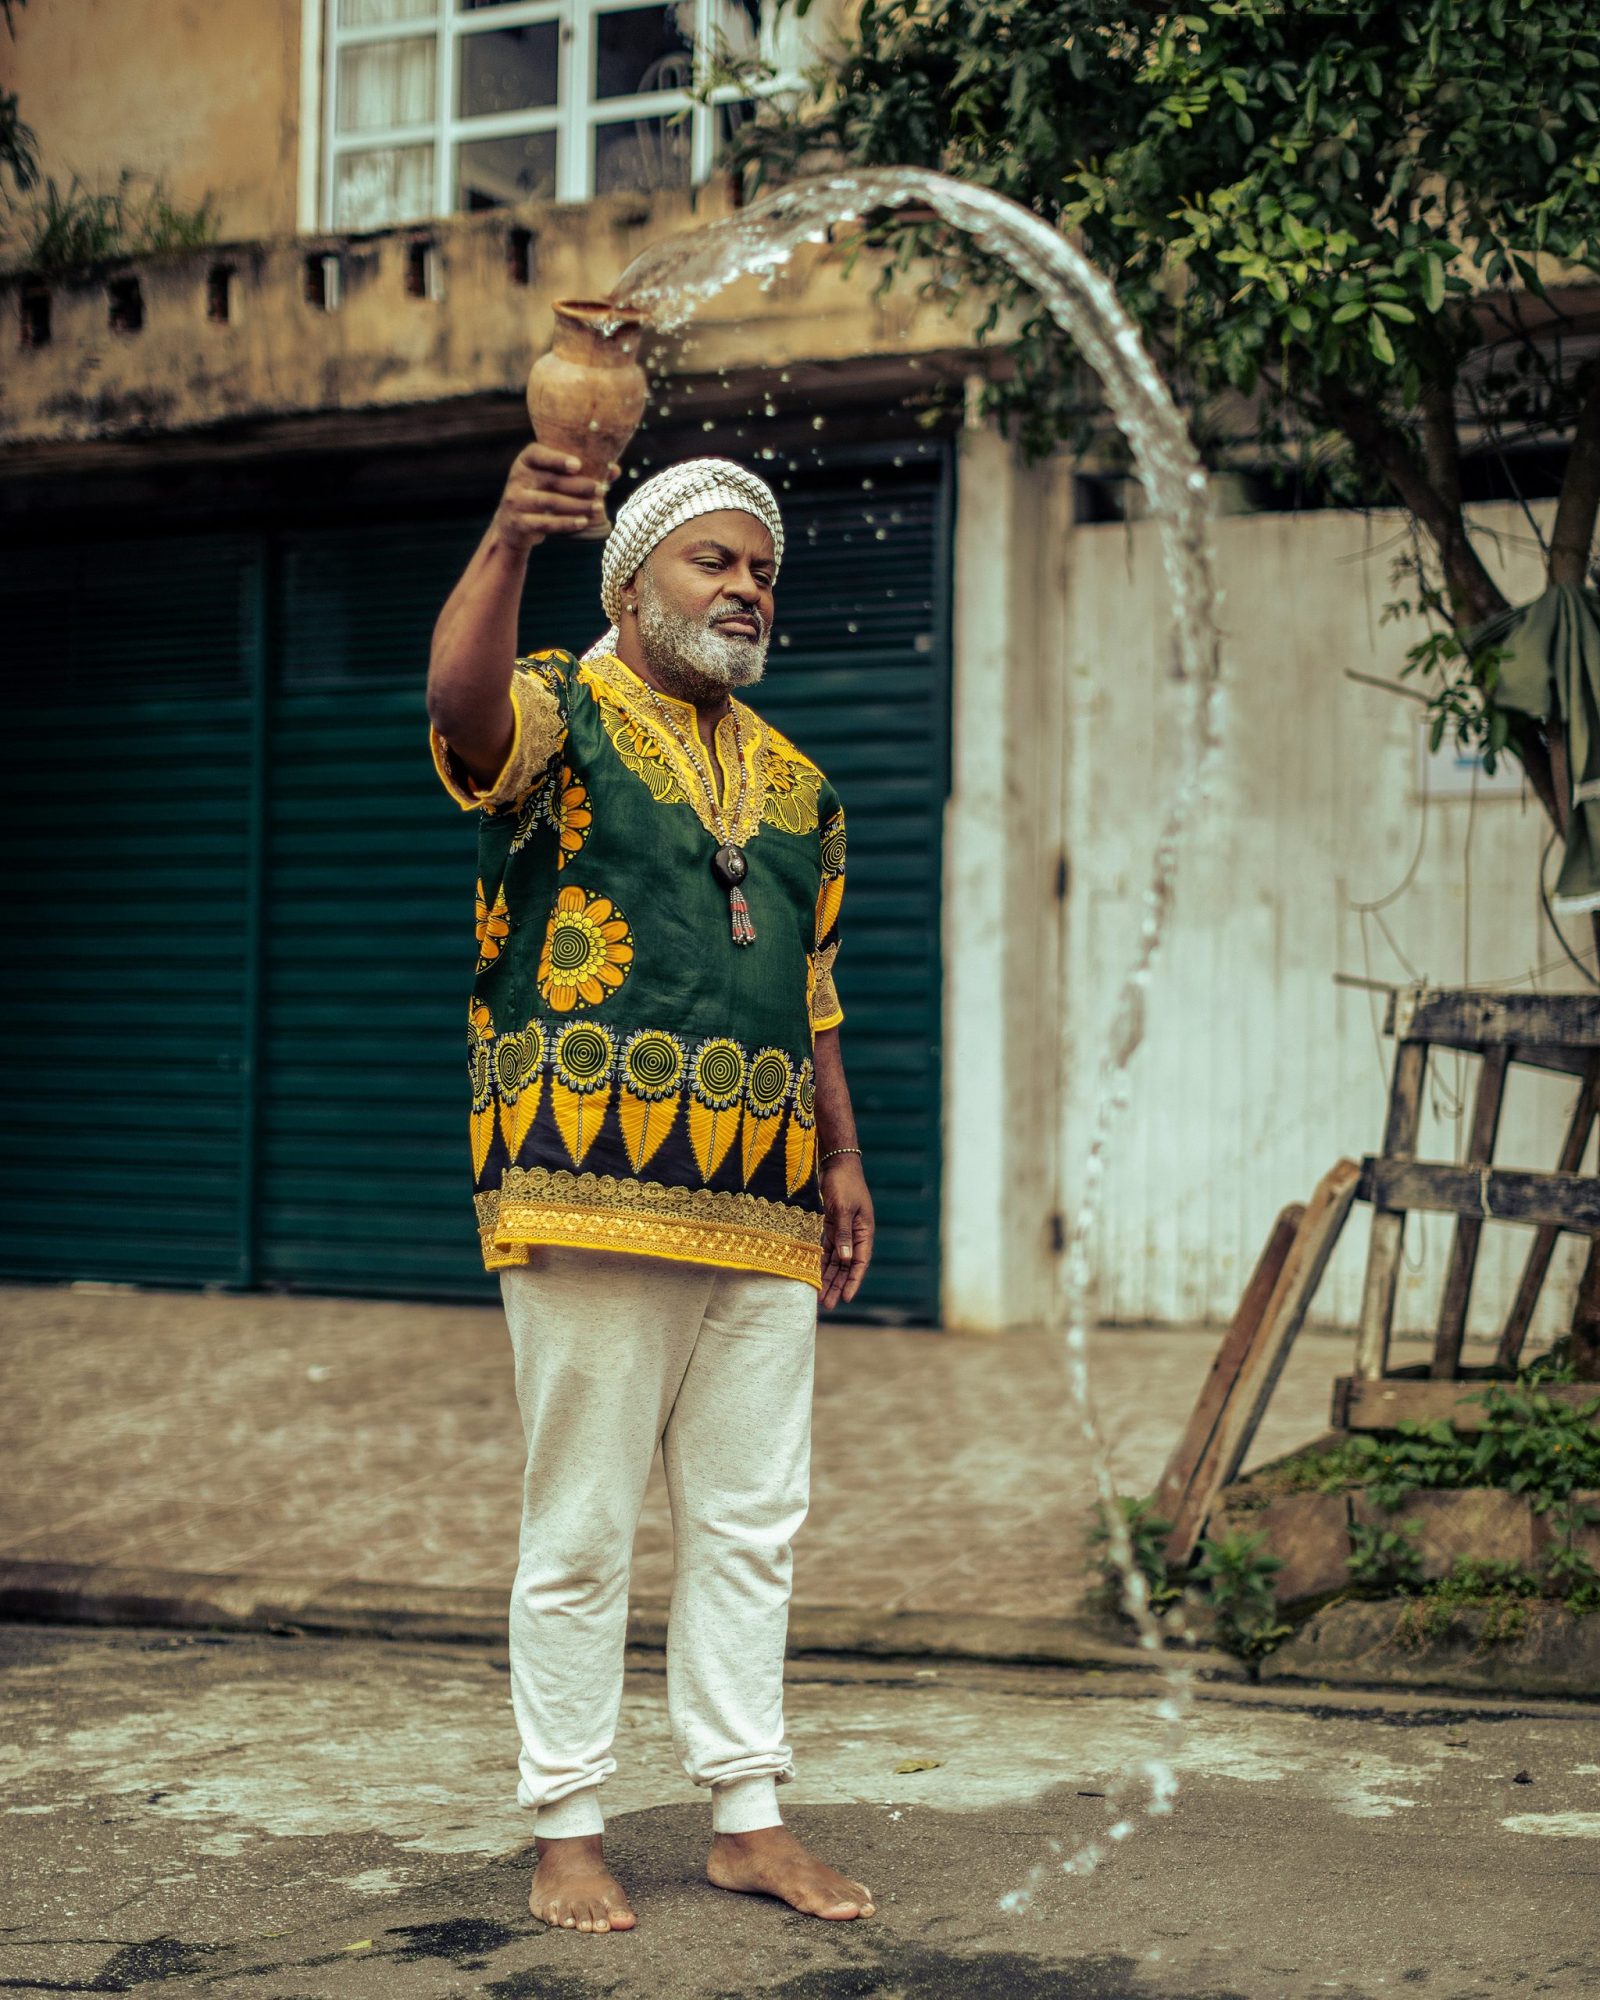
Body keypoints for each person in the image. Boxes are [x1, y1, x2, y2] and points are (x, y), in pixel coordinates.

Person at [426, 446, 877, 1934]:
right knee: (585, 1527)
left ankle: (745, 1814)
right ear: (632, 581)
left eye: (764, 570)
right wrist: (504, 535)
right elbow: (459, 711)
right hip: (587, 1177)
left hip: (765, 1196)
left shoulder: (803, 786)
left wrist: (846, 1160)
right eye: (716, 561)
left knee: (753, 1522)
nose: (748, 586)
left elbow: (812, 992)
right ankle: (566, 1825)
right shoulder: (560, 710)